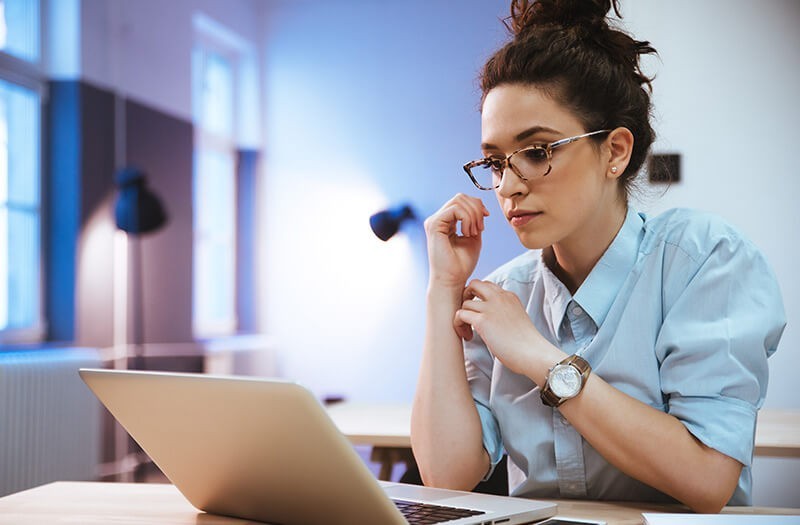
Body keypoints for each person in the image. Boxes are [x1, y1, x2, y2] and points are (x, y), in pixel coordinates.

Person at [410, 0, 785, 513]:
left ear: (615, 151)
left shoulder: (704, 259)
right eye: (495, 162)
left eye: (538, 151)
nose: (508, 186)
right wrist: (442, 290)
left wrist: (540, 359)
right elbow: (446, 474)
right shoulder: (505, 294)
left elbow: (707, 478)